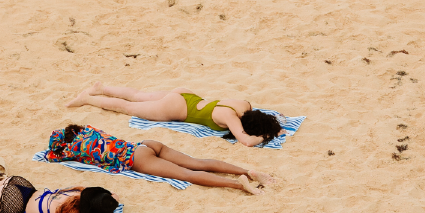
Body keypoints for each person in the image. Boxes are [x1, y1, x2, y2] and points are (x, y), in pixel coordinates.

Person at [45, 124, 272, 194]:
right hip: (144, 144)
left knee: (187, 175)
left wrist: (58, 150)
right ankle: (247, 171)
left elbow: (52, 156)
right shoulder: (87, 131)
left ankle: (239, 185)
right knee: (197, 162)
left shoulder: (73, 149)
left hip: (136, 159)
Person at [66, 81, 282, 147]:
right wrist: (268, 136)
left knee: (138, 94)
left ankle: (101, 88)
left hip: (187, 96)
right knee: (129, 108)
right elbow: (245, 141)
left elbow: (265, 117)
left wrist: (275, 127)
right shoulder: (230, 118)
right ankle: (88, 99)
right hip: (176, 110)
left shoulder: (244, 104)